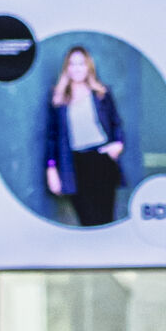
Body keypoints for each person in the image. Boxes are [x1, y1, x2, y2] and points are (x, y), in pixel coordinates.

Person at [45, 45, 125, 228]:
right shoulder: (59, 98)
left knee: (104, 219)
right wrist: (51, 169)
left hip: (101, 160)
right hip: (74, 164)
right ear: (67, 68)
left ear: (88, 66)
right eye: (72, 64)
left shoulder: (101, 93)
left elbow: (116, 123)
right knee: (87, 220)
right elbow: (52, 137)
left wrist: (118, 144)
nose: (77, 68)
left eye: (81, 63)